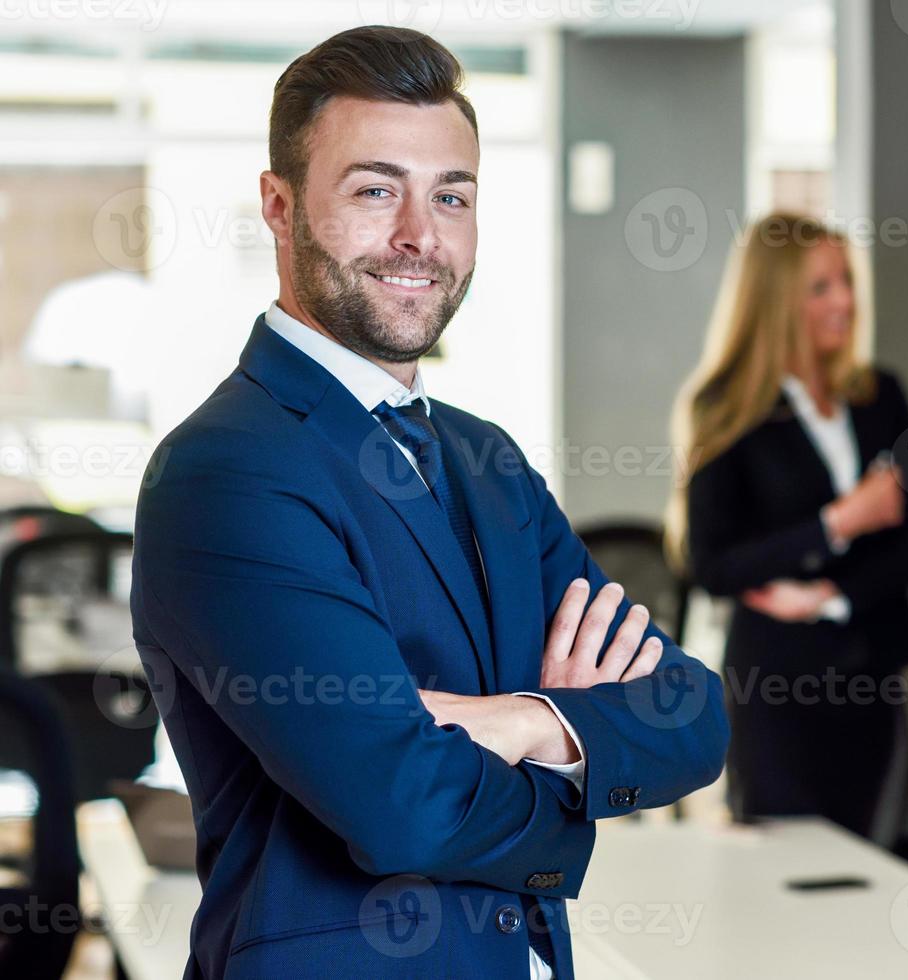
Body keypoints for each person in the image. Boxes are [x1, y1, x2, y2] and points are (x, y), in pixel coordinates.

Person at [130, 28, 728, 979]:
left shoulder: (484, 458)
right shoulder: (226, 471)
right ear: (278, 208)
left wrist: (522, 719)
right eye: (375, 191)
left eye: (451, 196)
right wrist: (577, 741)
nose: (420, 235)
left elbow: (691, 713)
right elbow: (399, 803)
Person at [671, 213, 908, 845]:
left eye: (845, 281)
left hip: (872, 670)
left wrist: (833, 597)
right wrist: (838, 523)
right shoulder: (725, 407)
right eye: (821, 287)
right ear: (776, 299)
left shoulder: (880, 395)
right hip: (775, 685)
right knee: (782, 875)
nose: (845, 299)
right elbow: (710, 564)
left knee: (873, 864)